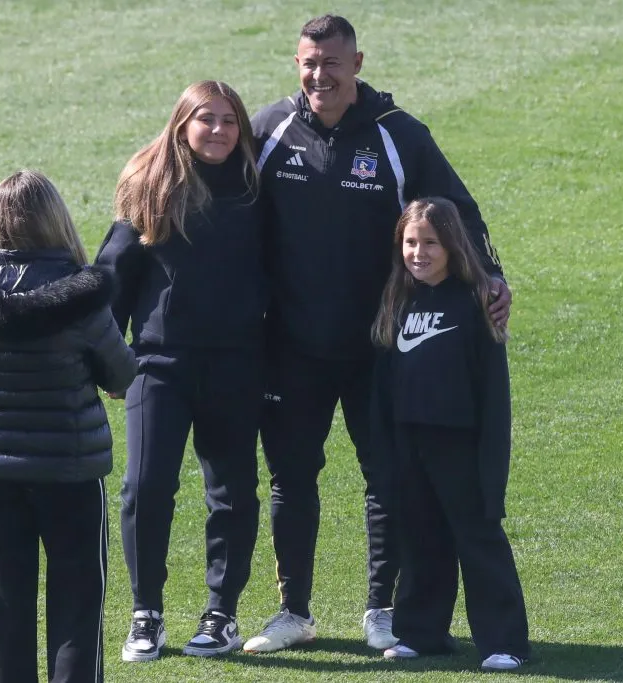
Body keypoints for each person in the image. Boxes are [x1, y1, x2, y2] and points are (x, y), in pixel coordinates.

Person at [243, 14, 512, 654]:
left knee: (388, 478)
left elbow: (459, 213)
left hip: (380, 349)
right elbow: (216, 200)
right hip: (291, 347)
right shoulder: (269, 131)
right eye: (308, 63)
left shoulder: (400, 137)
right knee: (290, 478)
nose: (318, 76)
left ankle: (381, 611)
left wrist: (492, 277)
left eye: (331, 63)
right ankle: (294, 612)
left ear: (357, 64)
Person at [94, 80, 267, 662]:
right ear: (182, 126)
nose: (218, 131)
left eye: (228, 121)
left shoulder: (257, 190)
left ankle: (222, 613)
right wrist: (107, 362)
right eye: (206, 120)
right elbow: (112, 278)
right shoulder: (152, 186)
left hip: (236, 366)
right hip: (158, 366)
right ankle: (147, 613)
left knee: (232, 493)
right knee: (144, 488)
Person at [0, 169, 137, 683]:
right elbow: (119, 371)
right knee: (77, 610)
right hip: (68, 471)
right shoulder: (82, 295)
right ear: (56, 220)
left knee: (6, 614)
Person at [370, 197, 530, 672]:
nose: (419, 252)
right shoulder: (397, 301)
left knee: (477, 538)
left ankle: (504, 642)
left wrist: (490, 461)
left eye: (431, 243)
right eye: (410, 242)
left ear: (453, 246)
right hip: (408, 442)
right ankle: (421, 632)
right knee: (419, 538)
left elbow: (492, 393)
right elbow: (383, 387)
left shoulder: (476, 301)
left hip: (460, 444)